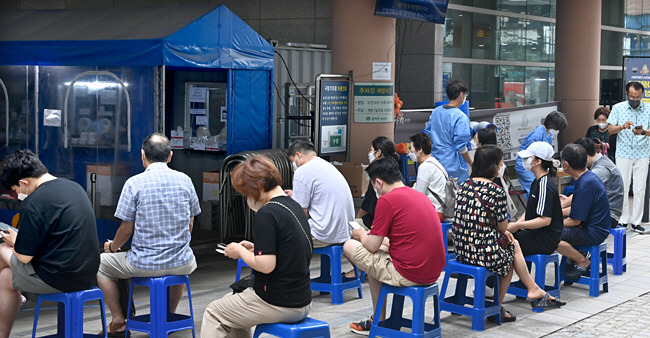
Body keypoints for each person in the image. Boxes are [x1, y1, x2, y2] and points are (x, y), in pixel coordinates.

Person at [97, 133, 199, 335]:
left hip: (144, 264)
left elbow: (126, 229)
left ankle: (118, 320)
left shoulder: (134, 183)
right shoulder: (185, 180)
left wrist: (113, 247)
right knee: (178, 267)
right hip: (183, 261)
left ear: (143, 155)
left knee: (101, 264)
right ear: (170, 156)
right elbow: (190, 222)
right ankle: (169, 315)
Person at [201, 156, 312, 337]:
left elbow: (266, 266)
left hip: (277, 301)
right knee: (233, 306)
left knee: (214, 312)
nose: (247, 198)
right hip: (301, 298)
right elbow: (290, 248)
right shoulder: (293, 205)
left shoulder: (267, 213)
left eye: (245, 193)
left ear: (256, 188)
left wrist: (240, 251)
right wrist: (256, 247)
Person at [453, 145, 564, 322]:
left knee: (513, 244)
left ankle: (530, 289)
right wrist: (509, 229)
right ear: (493, 166)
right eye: (500, 162)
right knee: (509, 256)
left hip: (462, 249)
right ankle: (497, 306)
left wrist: (512, 228)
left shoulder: (464, 186)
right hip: (482, 252)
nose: (502, 165)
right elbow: (502, 226)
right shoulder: (496, 191)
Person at [0, 150, 100, 338]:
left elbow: (24, 256)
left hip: (58, 278)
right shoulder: (74, 187)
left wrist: (14, 241)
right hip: (87, 274)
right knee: (6, 276)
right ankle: (14, 294)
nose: (17, 194)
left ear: (23, 183)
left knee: (1, 249)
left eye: (15, 190)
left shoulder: (34, 202)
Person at [344, 157, 446, 334]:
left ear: (379, 182)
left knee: (350, 245)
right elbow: (394, 240)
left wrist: (360, 233)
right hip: (433, 272)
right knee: (378, 255)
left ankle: (377, 320)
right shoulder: (418, 195)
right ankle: (377, 318)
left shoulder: (387, 200)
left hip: (411, 273)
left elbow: (372, 246)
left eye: (374, 185)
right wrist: (374, 238)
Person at [556, 144, 611, 281]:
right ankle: (572, 257)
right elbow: (579, 209)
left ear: (566, 164)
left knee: (548, 235)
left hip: (593, 232)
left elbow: (575, 220)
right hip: (595, 227)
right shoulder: (588, 178)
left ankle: (581, 260)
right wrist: (557, 212)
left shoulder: (585, 184)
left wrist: (552, 223)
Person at [286, 140, 355, 247]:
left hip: (324, 234)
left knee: (282, 232)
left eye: (292, 161)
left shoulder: (302, 171)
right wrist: (294, 195)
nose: (294, 165)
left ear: (298, 155)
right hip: (344, 232)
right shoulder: (327, 166)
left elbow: (301, 214)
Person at [607, 81, 650, 233]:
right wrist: (622, 126)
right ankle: (623, 220)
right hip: (623, 152)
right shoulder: (618, 108)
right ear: (626, 94)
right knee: (622, 187)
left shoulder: (648, 108)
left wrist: (643, 132)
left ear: (642, 95)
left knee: (640, 188)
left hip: (643, 152)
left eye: (638, 97)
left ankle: (637, 222)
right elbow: (610, 130)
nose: (635, 100)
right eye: (632, 97)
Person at [507, 142, 563, 257]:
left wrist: (517, 226)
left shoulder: (544, 185)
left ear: (538, 161)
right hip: (535, 233)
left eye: (528, 158)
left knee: (507, 242)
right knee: (507, 235)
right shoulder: (537, 181)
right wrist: (516, 224)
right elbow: (531, 210)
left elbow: (545, 220)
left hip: (545, 239)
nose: (524, 161)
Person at [562, 138, 623, 229]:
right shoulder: (601, 162)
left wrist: (561, 205)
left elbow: (584, 189)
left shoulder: (601, 169)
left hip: (609, 216)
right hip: (599, 210)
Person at [424, 79, 472, 183]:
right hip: (453, 166)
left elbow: (427, 133)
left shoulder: (436, 111)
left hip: (435, 162)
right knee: (455, 195)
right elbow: (461, 146)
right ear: (461, 94)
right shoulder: (460, 117)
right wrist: (472, 163)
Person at [515, 111, 568, 197]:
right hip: (527, 166)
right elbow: (530, 154)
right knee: (535, 193)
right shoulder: (537, 134)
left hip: (536, 165)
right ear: (553, 125)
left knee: (539, 191)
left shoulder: (547, 134)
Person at [358, 136, 400, 229]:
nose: (370, 153)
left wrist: (356, 219)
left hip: (374, 222)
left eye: (372, 150)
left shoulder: (377, 175)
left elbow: (367, 205)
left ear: (379, 153)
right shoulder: (396, 170)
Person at [408, 132, 448, 221]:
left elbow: (419, 195)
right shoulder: (435, 163)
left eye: (412, 148)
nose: (411, 151)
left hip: (435, 212)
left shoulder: (425, 167)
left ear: (420, 149)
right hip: (441, 210)